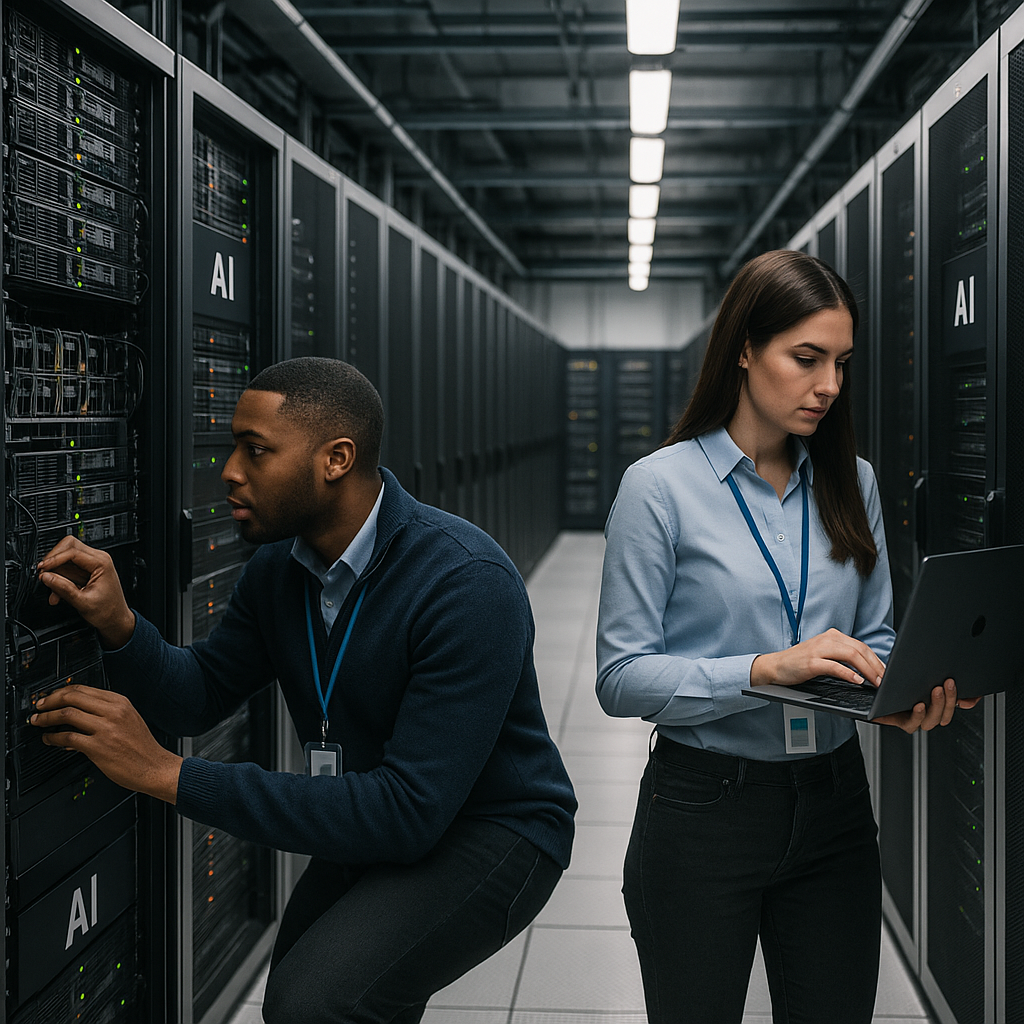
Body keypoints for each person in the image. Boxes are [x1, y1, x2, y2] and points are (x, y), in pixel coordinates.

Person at [32, 356, 576, 1024]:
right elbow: (197, 694)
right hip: (378, 812)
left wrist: (168, 774)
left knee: (315, 1002)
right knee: (304, 998)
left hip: (493, 832)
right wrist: (120, 627)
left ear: (336, 458)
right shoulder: (278, 572)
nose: (230, 471)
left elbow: (407, 813)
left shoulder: (465, 583)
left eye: (255, 451)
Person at [595, 250, 979, 1024]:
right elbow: (621, 677)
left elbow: (871, 633)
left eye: (840, 362)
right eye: (805, 359)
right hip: (704, 808)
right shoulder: (660, 488)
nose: (829, 385)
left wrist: (897, 692)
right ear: (743, 347)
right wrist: (765, 669)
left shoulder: (854, 480)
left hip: (834, 803)